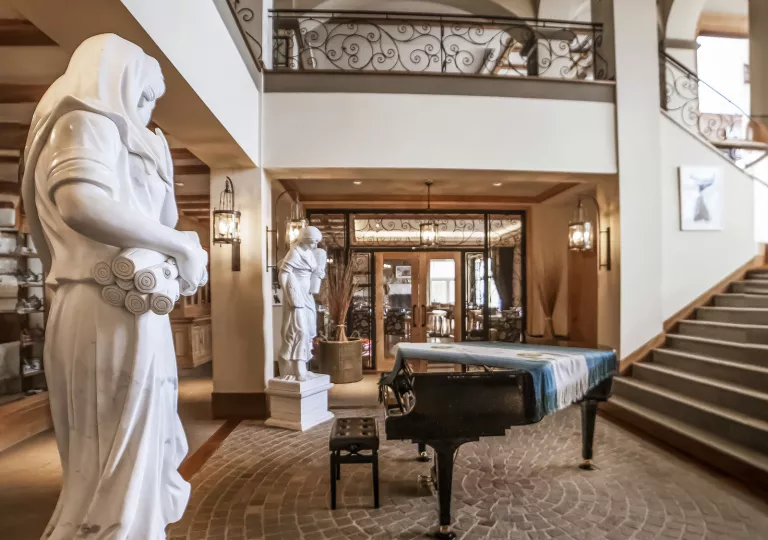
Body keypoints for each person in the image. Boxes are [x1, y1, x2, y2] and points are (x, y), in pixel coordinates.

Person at [21, 34, 208, 539]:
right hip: (102, 305)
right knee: (113, 454)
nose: (147, 112)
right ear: (118, 79)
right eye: (144, 96)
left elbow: (162, 217)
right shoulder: (84, 117)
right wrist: (183, 246)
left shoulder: (129, 133)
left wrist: (161, 165)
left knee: (146, 440)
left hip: (137, 306)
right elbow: (81, 203)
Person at [277, 226, 326, 381]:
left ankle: (302, 366)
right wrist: (289, 295)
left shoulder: (311, 254)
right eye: (312, 242)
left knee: (310, 330)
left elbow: (313, 273)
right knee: (299, 331)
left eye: (316, 242)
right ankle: (295, 369)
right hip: (296, 296)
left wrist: (319, 273)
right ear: (305, 239)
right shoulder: (294, 253)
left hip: (307, 295)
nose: (314, 245)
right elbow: (283, 274)